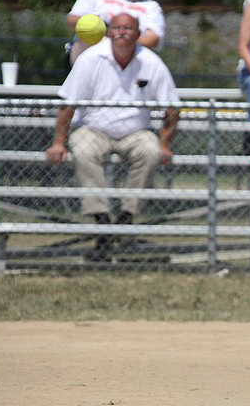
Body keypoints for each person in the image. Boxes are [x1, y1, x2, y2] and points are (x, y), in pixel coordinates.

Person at [46, 13, 180, 261]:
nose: (122, 32)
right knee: (83, 148)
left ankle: (126, 217)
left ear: (138, 34)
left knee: (151, 152)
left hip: (136, 131)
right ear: (108, 32)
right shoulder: (90, 58)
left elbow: (172, 107)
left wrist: (164, 143)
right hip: (94, 128)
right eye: (117, 27)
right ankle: (103, 221)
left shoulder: (151, 62)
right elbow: (68, 103)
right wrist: (58, 142)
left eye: (128, 28)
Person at [66, 0, 166, 65]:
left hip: (127, 67)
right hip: (88, 62)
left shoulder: (151, 6)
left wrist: (121, 38)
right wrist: (100, 28)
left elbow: (153, 39)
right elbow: (72, 20)